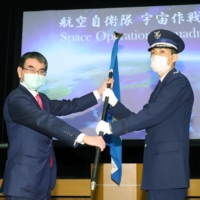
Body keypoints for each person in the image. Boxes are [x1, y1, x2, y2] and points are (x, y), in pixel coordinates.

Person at [96, 29, 194, 200]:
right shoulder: (162, 85)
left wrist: (112, 127)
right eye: (153, 53)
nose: (156, 57)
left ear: (174, 57)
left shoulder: (178, 82)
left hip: (169, 173)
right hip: (158, 172)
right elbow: (144, 117)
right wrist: (114, 104)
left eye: (162, 52)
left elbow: (152, 114)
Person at [0, 51, 113, 200]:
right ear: (20, 71)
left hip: (43, 180)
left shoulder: (42, 99)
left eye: (41, 71)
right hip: (23, 182)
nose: (36, 74)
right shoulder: (17, 99)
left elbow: (70, 106)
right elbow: (43, 120)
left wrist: (100, 91)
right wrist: (83, 137)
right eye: (31, 69)